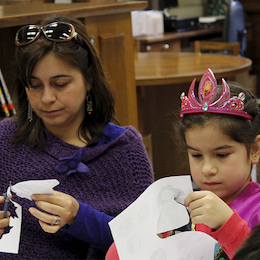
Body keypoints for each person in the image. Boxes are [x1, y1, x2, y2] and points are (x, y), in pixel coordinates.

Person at [0, 15, 154, 259]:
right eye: (35, 85)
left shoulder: (124, 150)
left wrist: (78, 217)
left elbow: (146, 243)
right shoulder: (6, 139)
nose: (47, 97)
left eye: (60, 84)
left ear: (89, 80)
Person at [105, 68, 260, 260]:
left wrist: (228, 225)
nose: (207, 169)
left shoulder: (257, 210)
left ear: (254, 150)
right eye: (196, 155)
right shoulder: (179, 207)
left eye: (221, 154)